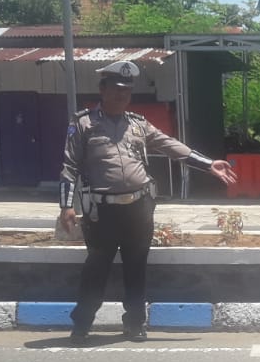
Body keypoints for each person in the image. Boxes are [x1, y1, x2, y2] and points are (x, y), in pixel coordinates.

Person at [59, 60, 238, 344]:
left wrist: (207, 164)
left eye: (127, 92)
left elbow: (169, 145)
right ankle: (81, 324)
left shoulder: (138, 124)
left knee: (136, 267)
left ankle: (135, 324)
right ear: (102, 89)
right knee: (97, 268)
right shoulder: (84, 124)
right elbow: (69, 167)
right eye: (117, 90)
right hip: (101, 212)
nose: (122, 96)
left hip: (138, 210)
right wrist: (66, 206)